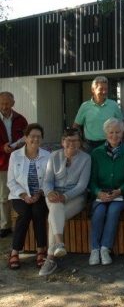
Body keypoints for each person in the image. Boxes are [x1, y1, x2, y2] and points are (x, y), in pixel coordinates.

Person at [39, 128, 91, 276]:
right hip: (54, 196)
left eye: (75, 140)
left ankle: (51, 257)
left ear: (79, 143)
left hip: (76, 198)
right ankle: (57, 247)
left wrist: (65, 196)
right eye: (68, 140)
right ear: (62, 142)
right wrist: (49, 192)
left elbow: (82, 186)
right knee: (55, 207)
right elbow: (47, 180)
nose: (72, 143)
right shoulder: (54, 156)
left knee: (53, 217)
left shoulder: (86, 158)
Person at [7, 124, 50, 269]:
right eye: (32, 136)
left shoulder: (47, 156)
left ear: (42, 140)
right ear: (25, 138)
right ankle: (14, 252)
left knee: (39, 212)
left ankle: (41, 251)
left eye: (38, 136)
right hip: (19, 196)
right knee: (24, 213)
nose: (35, 139)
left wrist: (39, 193)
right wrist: (24, 195)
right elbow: (11, 181)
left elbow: (49, 180)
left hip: (40, 195)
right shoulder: (15, 155)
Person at [88, 118, 124, 266]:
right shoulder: (96, 153)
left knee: (113, 211)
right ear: (106, 133)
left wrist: (119, 191)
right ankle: (94, 249)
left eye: (117, 132)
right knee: (99, 212)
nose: (114, 135)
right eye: (111, 132)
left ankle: (105, 248)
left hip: (120, 196)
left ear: (122, 133)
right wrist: (98, 193)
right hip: (101, 195)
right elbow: (92, 179)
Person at [0, 91, 28, 238]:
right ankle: (5, 226)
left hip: (19, 161)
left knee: (21, 192)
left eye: (7, 103)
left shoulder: (20, 119)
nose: (4, 106)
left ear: (13, 103)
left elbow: (27, 135)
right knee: (4, 196)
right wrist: (2, 148)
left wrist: (20, 144)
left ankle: (21, 222)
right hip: (2, 163)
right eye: (2, 103)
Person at [73, 76, 123, 154]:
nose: (104, 91)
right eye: (101, 89)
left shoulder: (113, 105)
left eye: (106, 89)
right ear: (93, 90)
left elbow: (122, 125)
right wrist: (80, 145)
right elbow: (76, 127)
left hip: (111, 144)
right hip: (91, 146)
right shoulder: (85, 106)